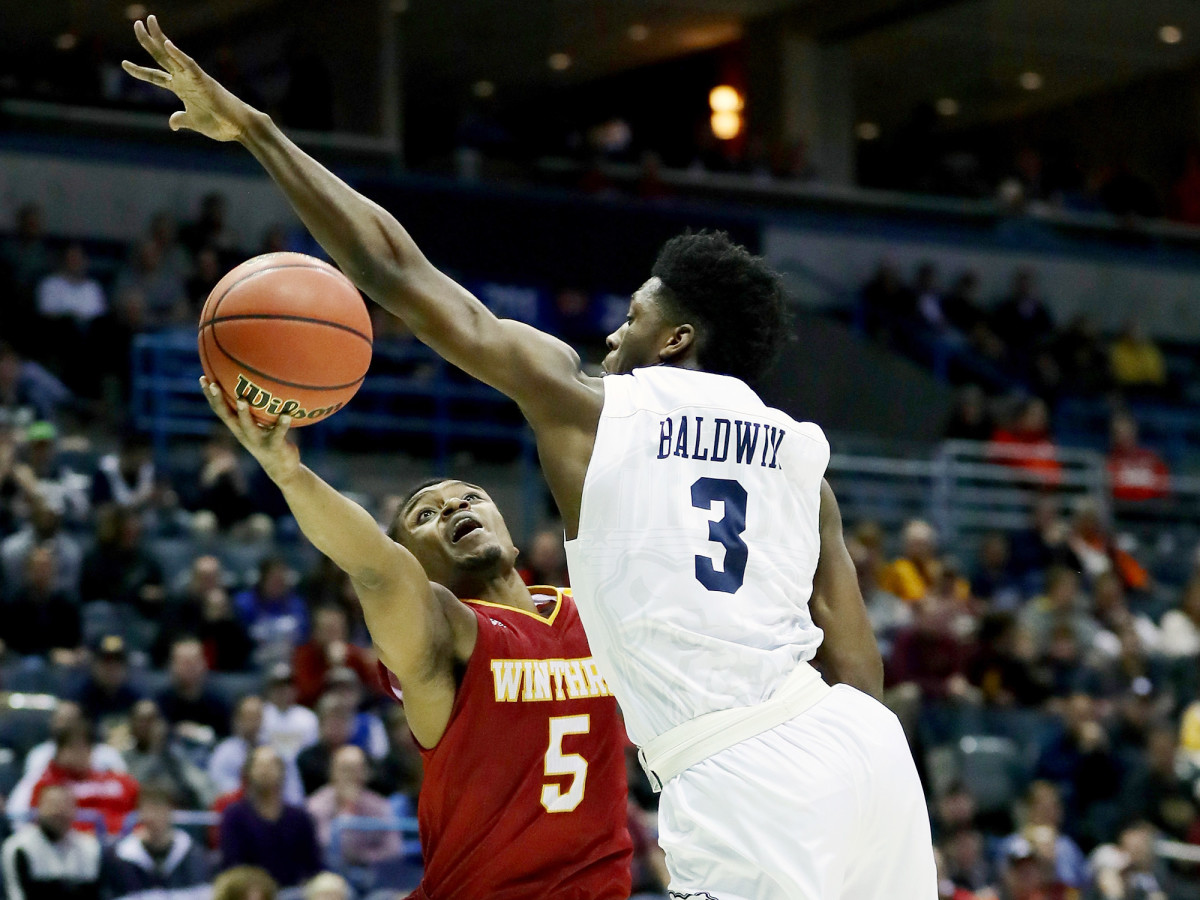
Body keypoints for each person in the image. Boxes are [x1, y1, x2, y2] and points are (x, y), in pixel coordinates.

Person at [127, 21, 930, 895]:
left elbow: (399, 274)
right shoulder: (798, 452)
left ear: (679, 338)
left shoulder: (593, 404)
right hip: (863, 751)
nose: (615, 333)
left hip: (737, 766)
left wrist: (256, 130)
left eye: (636, 317)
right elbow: (854, 659)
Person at [187, 372, 631, 896]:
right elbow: (375, 568)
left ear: (507, 528)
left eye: (469, 495)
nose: (452, 507)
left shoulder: (596, 611)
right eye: (424, 515)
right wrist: (291, 475)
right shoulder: (448, 635)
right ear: (415, 565)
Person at [218, 746, 321, 889]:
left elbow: (313, 865)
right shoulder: (234, 815)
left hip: (294, 893)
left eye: (271, 764)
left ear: (282, 771)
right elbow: (233, 866)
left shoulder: (300, 817)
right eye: (259, 765)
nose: (265, 770)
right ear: (248, 772)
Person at [103, 781, 211, 900]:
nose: (153, 816)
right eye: (148, 809)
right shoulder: (120, 856)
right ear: (140, 812)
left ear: (170, 810)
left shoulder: (191, 852)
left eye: (159, 808)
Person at [30, 721, 141, 837]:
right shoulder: (49, 786)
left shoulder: (119, 781)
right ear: (60, 752)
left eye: (85, 746)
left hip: (124, 842)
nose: (80, 753)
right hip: (73, 844)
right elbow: (41, 822)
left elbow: (144, 811)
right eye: (73, 748)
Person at [1, 783, 102, 900]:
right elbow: (16, 894)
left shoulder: (90, 847)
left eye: (66, 805)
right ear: (38, 808)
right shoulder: (19, 847)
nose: (60, 811)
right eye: (53, 805)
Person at [306, 745, 402, 865]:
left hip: (372, 874)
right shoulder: (316, 805)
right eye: (346, 769)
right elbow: (328, 850)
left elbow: (394, 850)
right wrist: (348, 809)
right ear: (333, 773)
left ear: (366, 773)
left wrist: (364, 858)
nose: (351, 776)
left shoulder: (379, 805)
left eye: (357, 769)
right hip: (330, 871)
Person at [210, 695, 306, 805]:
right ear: (237, 719)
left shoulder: (276, 750)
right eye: (248, 716)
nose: (253, 722)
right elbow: (219, 789)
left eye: (257, 716)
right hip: (237, 809)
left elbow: (293, 791)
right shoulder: (224, 752)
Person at [157, 637, 232, 743]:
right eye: (184, 663)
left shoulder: (219, 702)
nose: (190, 668)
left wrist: (203, 734)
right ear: (172, 665)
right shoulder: (160, 701)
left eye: (194, 662)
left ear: (204, 663)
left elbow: (227, 739)